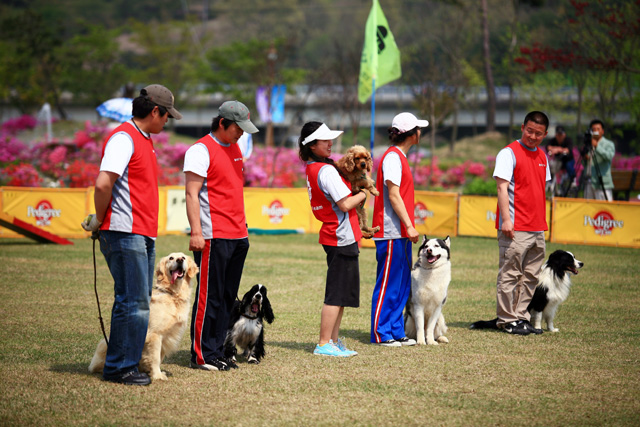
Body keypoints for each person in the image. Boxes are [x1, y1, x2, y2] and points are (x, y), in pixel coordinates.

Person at [81, 84, 182, 385]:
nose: (168, 122)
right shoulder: (124, 138)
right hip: (125, 231)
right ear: (154, 111)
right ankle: (119, 367)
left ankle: (129, 362)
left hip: (139, 232)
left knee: (137, 301)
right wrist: (99, 219)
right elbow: (102, 184)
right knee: (132, 302)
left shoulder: (143, 139)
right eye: (166, 116)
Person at [184, 100, 258, 371]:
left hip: (238, 233)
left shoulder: (236, 147)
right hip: (213, 235)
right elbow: (192, 193)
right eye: (238, 128)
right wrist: (196, 232)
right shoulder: (200, 150)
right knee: (210, 296)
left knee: (228, 297)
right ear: (222, 123)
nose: (242, 133)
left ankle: (219, 349)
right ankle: (202, 354)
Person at [299, 122, 367, 357]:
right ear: (311, 145)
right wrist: (364, 193)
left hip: (335, 235)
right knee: (336, 294)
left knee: (341, 294)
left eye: (330, 139)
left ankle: (333, 341)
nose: (330, 144)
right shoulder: (325, 170)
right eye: (324, 140)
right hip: (340, 236)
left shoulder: (313, 167)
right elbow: (346, 203)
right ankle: (324, 343)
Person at [370, 112, 428, 347]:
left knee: (402, 283)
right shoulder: (393, 157)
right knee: (388, 283)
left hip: (400, 233)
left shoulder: (400, 156)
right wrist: (409, 225)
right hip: (391, 231)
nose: (421, 132)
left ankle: (395, 329)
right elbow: (393, 195)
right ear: (411, 133)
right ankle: (381, 332)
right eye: (418, 128)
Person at [493, 110, 551, 336]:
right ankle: (507, 319)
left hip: (537, 227)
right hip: (515, 226)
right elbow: (501, 188)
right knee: (509, 275)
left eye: (538, 133)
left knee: (530, 277)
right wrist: (506, 220)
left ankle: (521, 317)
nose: (532, 136)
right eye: (529, 131)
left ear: (545, 134)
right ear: (522, 127)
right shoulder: (508, 153)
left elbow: (540, 190)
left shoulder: (543, 156)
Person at [583, 119, 615, 201]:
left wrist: (597, 146)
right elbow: (587, 160)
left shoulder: (608, 144)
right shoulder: (589, 144)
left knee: (603, 210)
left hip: (602, 183)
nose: (596, 131)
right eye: (593, 129)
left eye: (598, 129)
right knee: (588, 210)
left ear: (602, 131)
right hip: (589, 182)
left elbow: (609, 156)